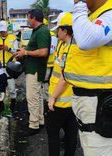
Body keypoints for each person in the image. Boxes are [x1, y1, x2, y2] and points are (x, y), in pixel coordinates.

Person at [63, 0, 112, 155]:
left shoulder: (109, 13)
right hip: (89, 103)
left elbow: (86, 40)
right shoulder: (92, 16)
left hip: (100, 103)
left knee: (98, 149)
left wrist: (79, 6)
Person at [15, 9, 51, 136]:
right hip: (33, 69)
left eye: (28, 18)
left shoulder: (42, 32)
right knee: (38, 96)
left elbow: (43, 52)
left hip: (35, 70)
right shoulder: (38, 31)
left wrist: (25, 52)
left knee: (32, 97)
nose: (27, 21)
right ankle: (39, 121)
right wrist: (24, 50)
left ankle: (34, 125)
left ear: (33, 18)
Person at [47, 12, 78, 156]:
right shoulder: (63, 44)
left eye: (58, 29)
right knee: (71, 134)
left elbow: (64, 78)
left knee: (53, 133)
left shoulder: (71, 49)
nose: (56, 31)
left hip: (61, 101)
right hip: (69, 101)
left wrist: (53, 97)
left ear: (65, 31)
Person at [0, 20, 19, 117]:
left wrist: (9, 49)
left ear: (7, 29)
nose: (3, 33)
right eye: (1, 31)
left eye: (4, 30)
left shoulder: (13, 38)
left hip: (10, 67)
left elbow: (16, 51)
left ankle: (13, 106)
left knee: (11, 88)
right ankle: (0, 107)